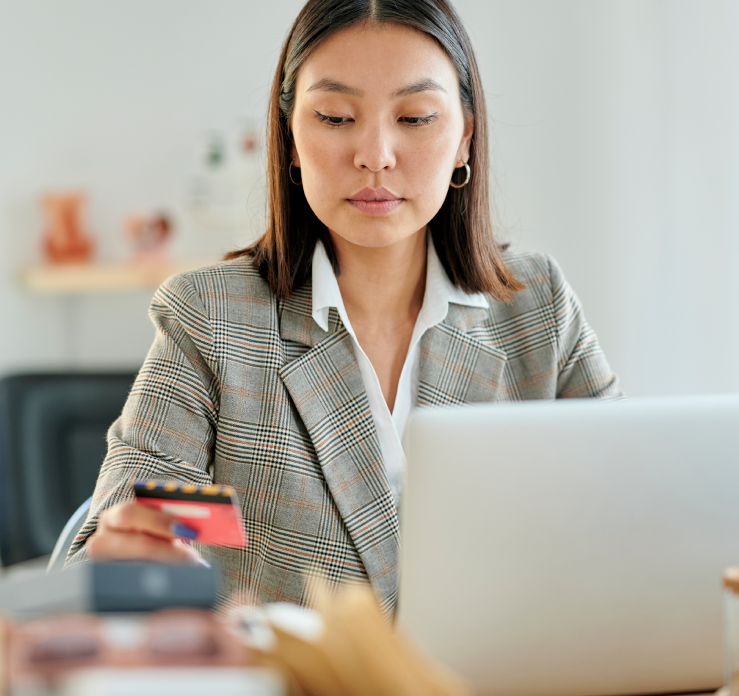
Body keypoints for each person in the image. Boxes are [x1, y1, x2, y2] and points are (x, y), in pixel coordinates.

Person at [66, 0, 621, 612]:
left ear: (463, 137)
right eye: (335, 117)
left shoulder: (536, 306)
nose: (375, 154)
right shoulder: (210, 319)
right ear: (292, 141)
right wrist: (128, 551)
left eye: (414, 118)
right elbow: (113, 535)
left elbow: (630, 513)